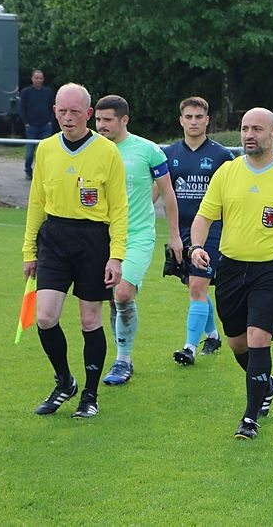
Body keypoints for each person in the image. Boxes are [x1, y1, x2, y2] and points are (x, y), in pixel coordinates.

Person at [190, 107, 273, 440]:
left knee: (258, 337)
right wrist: (196, 247)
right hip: (231, 267)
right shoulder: (227, 172)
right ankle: (267, 384)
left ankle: (250, 418)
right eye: (244, 128)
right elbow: (204, 217)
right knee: (237, 342)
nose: (249, 135)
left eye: (257, 129)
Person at [22, 83, 128, 418]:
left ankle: (90, 395)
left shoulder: (107, 152)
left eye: (75, 112)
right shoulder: (45, 149)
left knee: (89, 319)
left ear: (89, 114)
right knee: (44, 316)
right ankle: (65, 381)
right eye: (62, 111)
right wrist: (29, 251)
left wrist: (116, 255)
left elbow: (119, 209)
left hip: (93, 240)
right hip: (54, 238)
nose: (67, 118)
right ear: (54, 111)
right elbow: (36, 202)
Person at [93, 95, 182, 386]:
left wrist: (175, 236)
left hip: (137, 236)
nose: (101, 125)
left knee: (123, 293)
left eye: (107, 120)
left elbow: (168, 194)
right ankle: (119, 355)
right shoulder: (91, 148)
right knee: (110, 297)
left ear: (124, 120)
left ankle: (123, 359)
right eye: (98, 119)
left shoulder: (148, 150)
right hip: (100, 237)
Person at [162, 96, 236, 365]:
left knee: (197, 285)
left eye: (199, 117)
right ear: (181, 120)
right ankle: (213, 336)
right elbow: (159, 193)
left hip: (211, 230)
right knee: (195, 287)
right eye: (189, 117)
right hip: (181, 231)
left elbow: (233, 194)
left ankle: (189, 348)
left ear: (207, 120)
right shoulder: (169, 154)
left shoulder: (222, 156)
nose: (193, 122)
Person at [18, 70, 55, 179]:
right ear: (32, 79)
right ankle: (28, 171)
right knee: (30, 152)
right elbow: (21, 108)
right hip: (31, 126)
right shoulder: (26, 92)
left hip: (45, 126)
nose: (39, 80)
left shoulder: (48, 92)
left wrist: (50, 121)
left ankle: (44, 172)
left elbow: (52, 107)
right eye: (36, 78)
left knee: (45, 151)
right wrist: (26, 123)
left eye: (41, 78)